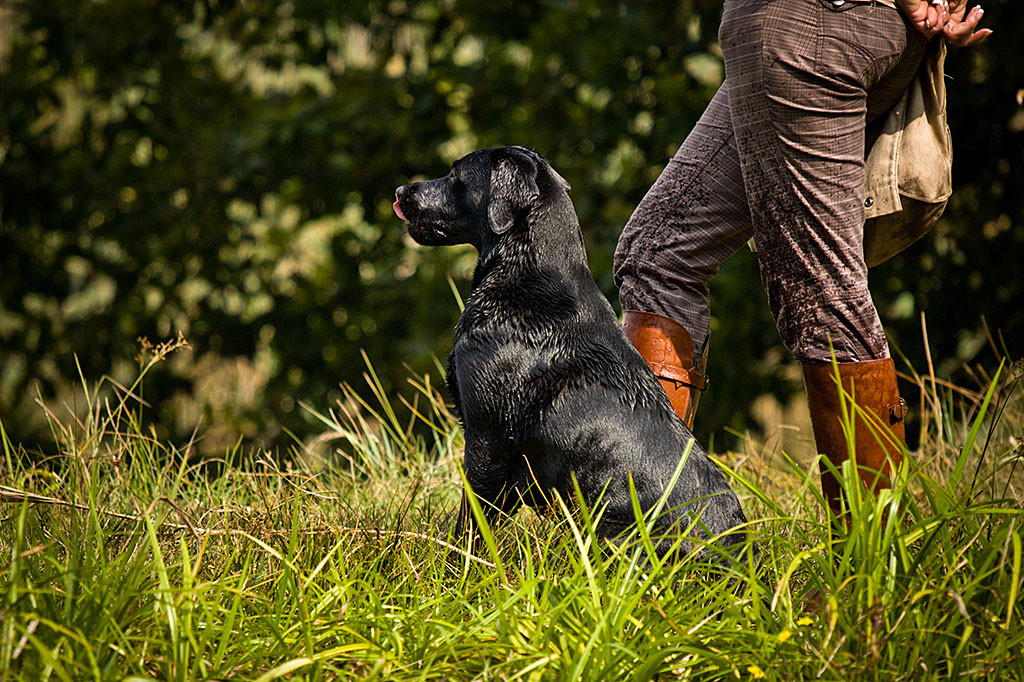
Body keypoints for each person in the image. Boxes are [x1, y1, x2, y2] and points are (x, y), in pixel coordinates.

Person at [613, 0, 990, 518]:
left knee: (822, 299)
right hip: (817, 27)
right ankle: (650, 529)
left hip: (808, 26)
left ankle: (870, 558)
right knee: (657, 252)